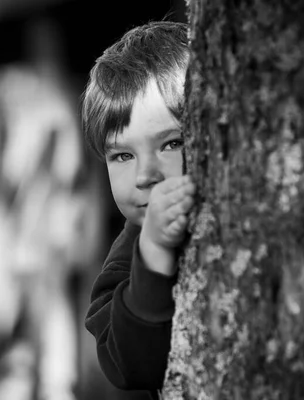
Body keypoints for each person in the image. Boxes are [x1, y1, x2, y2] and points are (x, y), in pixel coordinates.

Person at [82, 20, 196, 399]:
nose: (146, 175)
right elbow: (131, 366)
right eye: (123, 155)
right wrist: (153, 254)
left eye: (171, 144)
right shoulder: (122, 262)